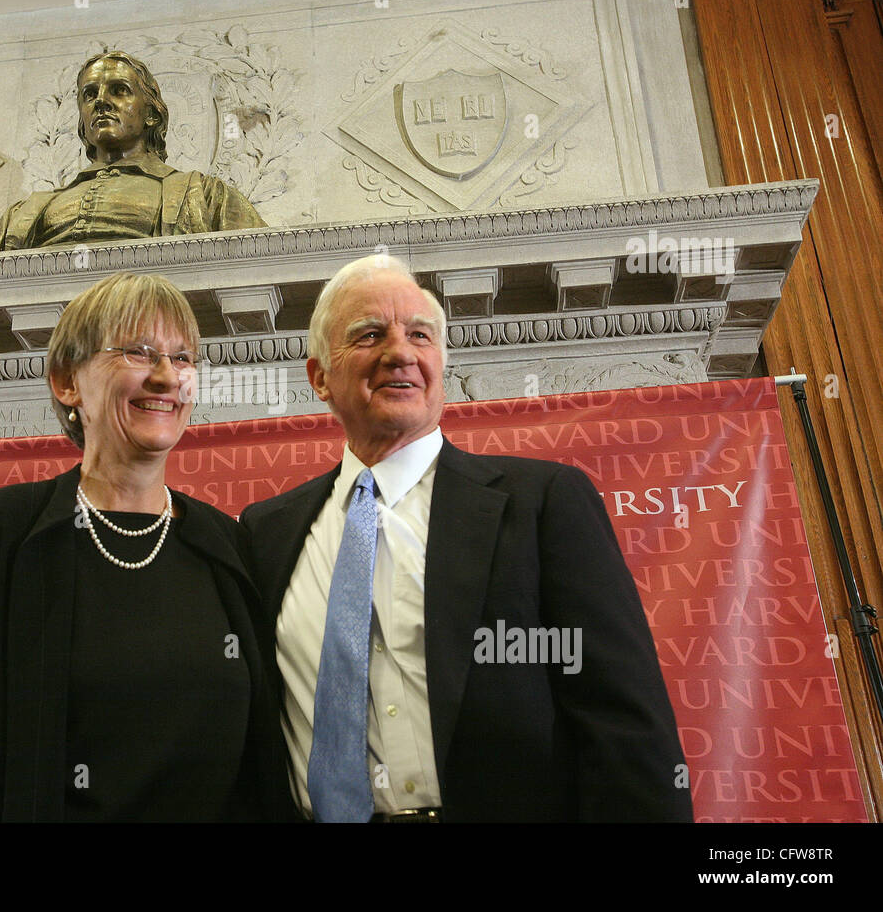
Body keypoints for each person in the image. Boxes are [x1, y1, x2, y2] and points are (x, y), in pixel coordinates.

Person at [239, 254, 693, 822]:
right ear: (319, 377)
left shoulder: (541, 503)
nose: (399, 352)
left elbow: (626, 725)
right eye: (369, 334)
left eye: (420, 335)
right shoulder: (265, 534)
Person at [0, 271, 283, 821]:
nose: (165, 377)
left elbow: (264, 760)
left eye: (182, 359)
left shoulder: (229, 545)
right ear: (67, 382)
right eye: (137, 352)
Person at [0, 51, 265, 252]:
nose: (101, 102)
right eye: (90, 94)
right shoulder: (28, 210)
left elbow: (263, 258)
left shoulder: (206, 196)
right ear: (83, 122)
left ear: (151, 114)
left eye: (119, 90)